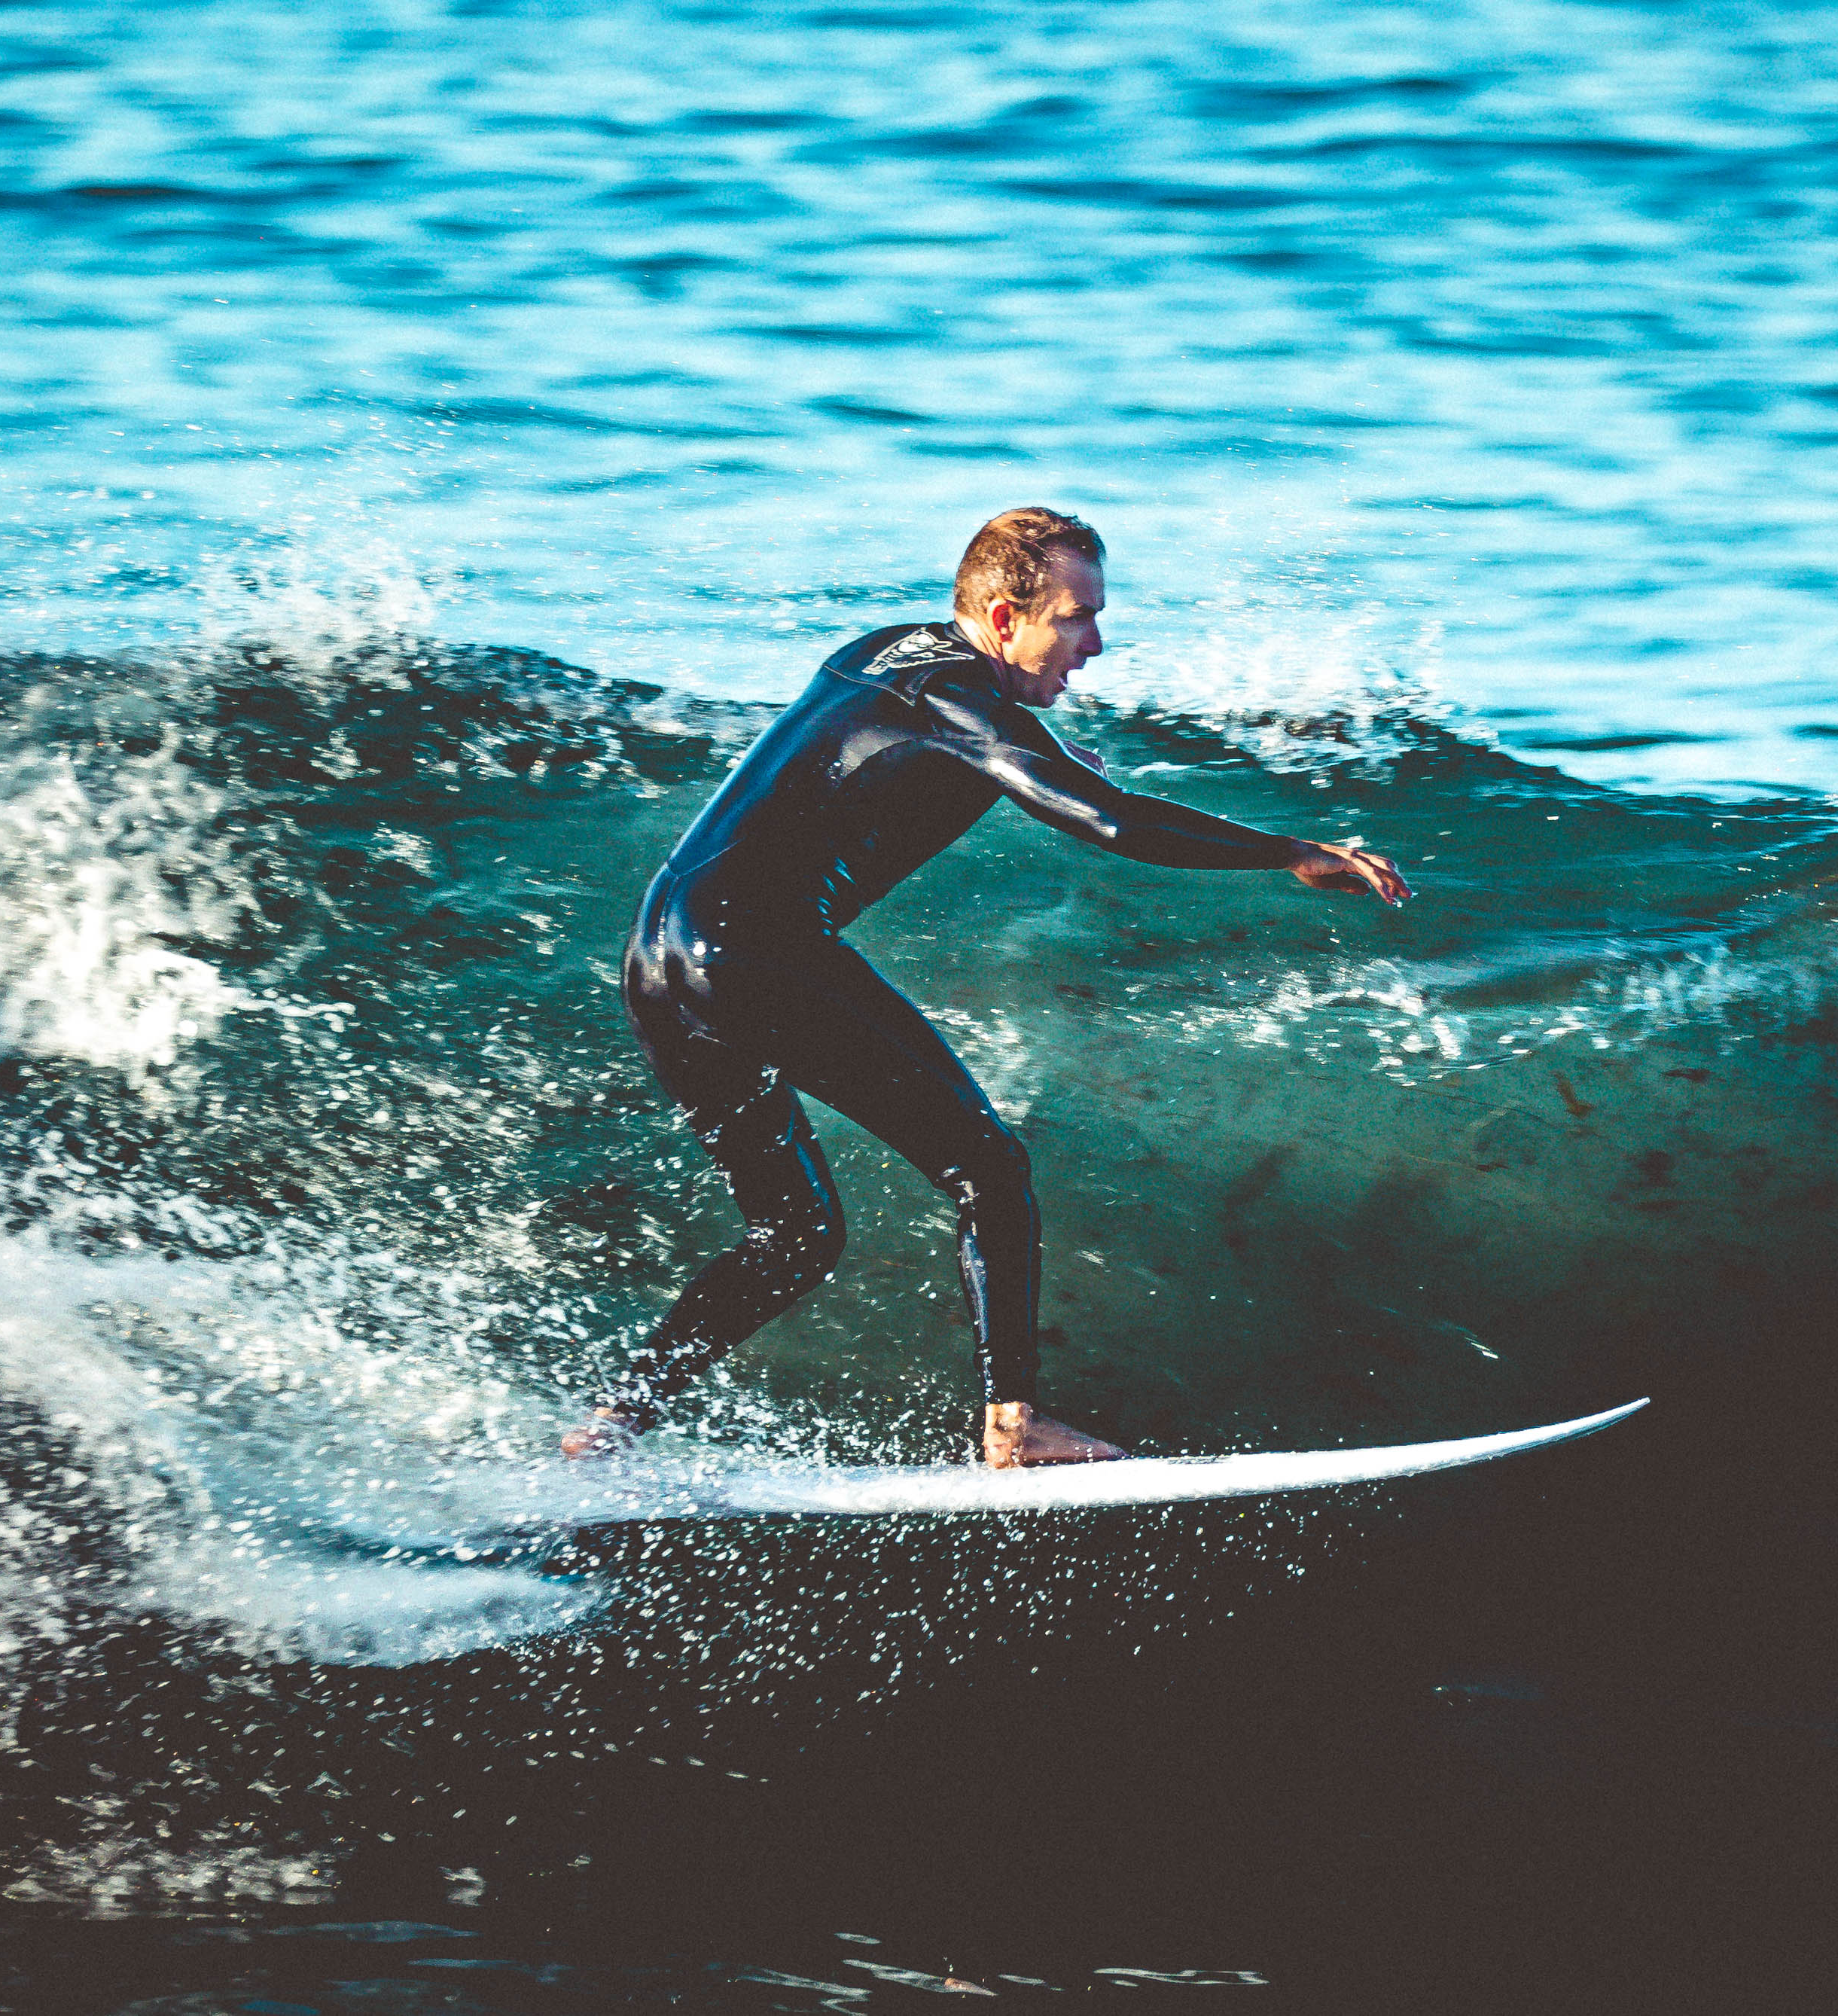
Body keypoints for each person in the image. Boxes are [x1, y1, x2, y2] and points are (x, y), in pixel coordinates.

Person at [564, 508, 1410, 1469]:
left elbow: (914, 746)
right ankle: (1014, 1426)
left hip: (659, 953)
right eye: (1076, 618)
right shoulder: (965, 708)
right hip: (753, 951)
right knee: (989, 1170)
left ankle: (610, 1426)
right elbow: (1112, 822)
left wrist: (1034, 752)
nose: (1094, 644)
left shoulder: (887, 649)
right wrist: (1291, 850)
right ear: (1005, 619)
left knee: (793, 1234)